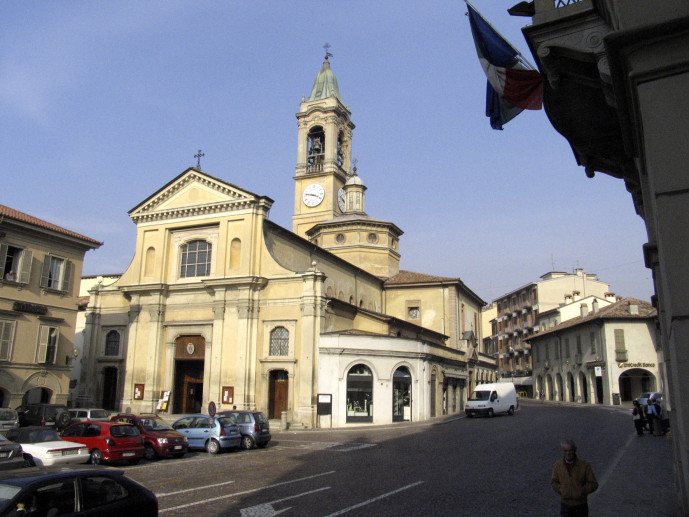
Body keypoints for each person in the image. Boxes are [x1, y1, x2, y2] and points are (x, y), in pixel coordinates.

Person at [551, 439, 598, 516]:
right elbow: (554, 482)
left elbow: (593, 484)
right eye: (566, 451)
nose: (568, 453)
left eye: (570, 450)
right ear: (563, 451)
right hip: (565, 504)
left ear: (574, 450)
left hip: (580, 505)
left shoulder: (584, 465)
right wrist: (561, 489)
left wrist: (581, 491)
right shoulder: (557, 465)